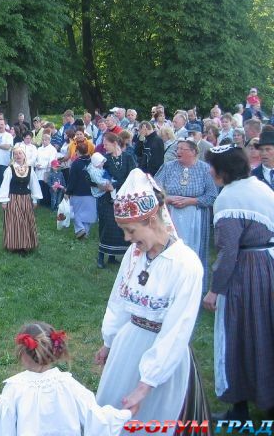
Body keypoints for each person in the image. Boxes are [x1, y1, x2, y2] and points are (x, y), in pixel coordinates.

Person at [95, 169, 206, 425]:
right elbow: (118, 302)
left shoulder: (185, 264)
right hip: (128, 346)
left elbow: (178, 328)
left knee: (152, 419)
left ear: (152, 220)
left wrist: (146, 384)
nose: (126, 239)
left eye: (131, 231)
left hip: (163, 354)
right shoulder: (134, 255)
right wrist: (109, 342)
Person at [203, 145, 274, 422]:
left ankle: (239, 408)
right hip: (269, 264)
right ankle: (267, 399)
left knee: (237, 332)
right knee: (266, 332)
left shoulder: (230, 198)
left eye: (213, 166)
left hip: (247, 272)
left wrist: (214, 289)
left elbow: (229, 251)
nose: (210, 171)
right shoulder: (261, 187)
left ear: (223, 170)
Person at [0, 322, 132, 436]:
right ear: (56, 351)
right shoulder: (70, 385)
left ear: (22, 354)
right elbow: (97, 419)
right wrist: (125, 414)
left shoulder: (14, 389)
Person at [154, 139, 217, 291]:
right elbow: (154, 189)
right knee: (169, 249)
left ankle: (190, 286)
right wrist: (167, 199)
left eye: (183, 149)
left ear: (194, 152)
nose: (178, 151)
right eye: (178, 148)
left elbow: (212, 195)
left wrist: (192, 201)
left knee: (191, 251)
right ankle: (165, 285)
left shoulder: (205, 169)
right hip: (170, 215)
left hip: (194, 218)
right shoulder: (168, 167)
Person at [97, 133, 136, 268]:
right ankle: (101, 257)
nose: (104, 146)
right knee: (107, 226)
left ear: (115, 143)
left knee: (122, 227)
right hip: (108, 198)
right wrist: (104, 185)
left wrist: (117, 185)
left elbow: (133, 175)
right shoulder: (105, 159)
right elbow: (98, 176)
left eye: (106, 144)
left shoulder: (128, 157)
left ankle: (114, 257)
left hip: (124, 197)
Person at [0, 146, 42, 254]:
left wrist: (35, 199)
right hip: (13, 198)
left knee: (25, 222)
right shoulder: (10, 169)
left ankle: (25, 245)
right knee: (15, 222)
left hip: (25, 199)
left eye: (20, 153)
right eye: (15, 154)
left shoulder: (30, 169)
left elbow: (34, 185)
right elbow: (5, 185)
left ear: (24, 155)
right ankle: (15, 245)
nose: (18, 156)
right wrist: (4, 200)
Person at [65, 142, 97, 239]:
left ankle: (80, 229)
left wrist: (68, 192)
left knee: (76, 213)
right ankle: (85, 232)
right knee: (88, 214)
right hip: (91, 192)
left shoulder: (76, 163)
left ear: (77, 151)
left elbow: (72, 179)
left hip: (78, 192)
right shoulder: (93, 162)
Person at [34, 133, 57, 207]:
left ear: (49, 140)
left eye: (45, 140)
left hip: (47, 171)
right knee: (39, 186)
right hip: (38, 170)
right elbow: (35, 158)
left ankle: (47, 203)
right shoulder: (39, 149)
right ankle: (41, 201)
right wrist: (36, 164)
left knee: (46, 186)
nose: (44, 141)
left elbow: (51, 161)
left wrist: (42, 166)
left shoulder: (52, 149)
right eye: (43, 140)